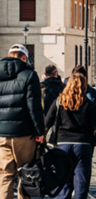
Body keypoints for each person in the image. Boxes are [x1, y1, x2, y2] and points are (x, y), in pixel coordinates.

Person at [45, 73, 96, 199]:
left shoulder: (60, 102)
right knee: (81, 182)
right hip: (83, 145)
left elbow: (47, 122)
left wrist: (40, 139)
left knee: (63, 181)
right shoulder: (89, 104)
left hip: (63, 144)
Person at [0, 44, 45, 199]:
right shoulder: (29, 74)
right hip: (24, 134)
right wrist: (40, 132)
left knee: (5, 174)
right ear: (24, 57)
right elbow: (34, 107)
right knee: (25, 173)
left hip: (2, 133)